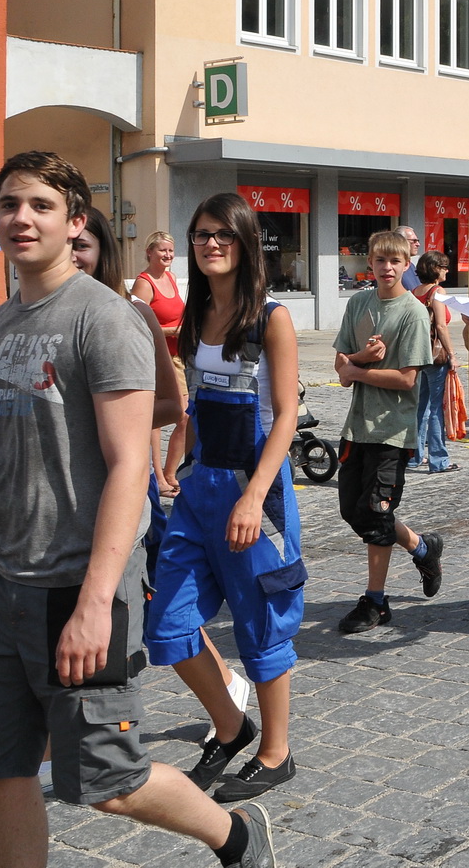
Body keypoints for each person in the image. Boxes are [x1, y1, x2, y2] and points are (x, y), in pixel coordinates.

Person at [0, 152, 276, 868]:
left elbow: (131, 464)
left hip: (76, 585)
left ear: (75, 222)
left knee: (107, 781)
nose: (20, 218)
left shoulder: (105, 317)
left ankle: (236, 835)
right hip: (0, 585)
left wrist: (96, 600)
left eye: (38, 205)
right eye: (8, 204)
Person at [70, 208, 250, 751]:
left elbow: (172, 404)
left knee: (149, 610)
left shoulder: (130, 313)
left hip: (120, 490)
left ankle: (228, 700)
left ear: (106, 252)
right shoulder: (31, 316)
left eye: (85, 245)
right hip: (60, 497)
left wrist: (97, 427)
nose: (74, 254)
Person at [146, 193, 302, 802]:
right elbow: (193, 405)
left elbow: (287, 415)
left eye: (223, 236)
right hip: (198, 487)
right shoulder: (192, 315)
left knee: (262, 622)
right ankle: (233, 727)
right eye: (201, 235)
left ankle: (276, 752)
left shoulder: (272, 318)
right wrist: (172, 462)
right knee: (169, 624)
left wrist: (252, 496)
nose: (211, 245)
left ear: (244, 243)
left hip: (252, 490)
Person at [331, 230, 443, 634]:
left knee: (377, 514)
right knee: (351, 510)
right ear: (371, 263)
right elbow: (341, 368)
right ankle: (423, 546)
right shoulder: (359, 303)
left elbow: (408, 379)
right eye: (381, 260)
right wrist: (359, 359)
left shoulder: (413, 312)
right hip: (356, 427)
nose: (388, 267)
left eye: (395, 261)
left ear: (406, 264)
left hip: (392, 431)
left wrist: (358, 370)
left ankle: (375, 601)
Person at [132, 230, 190, 489]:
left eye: (170, 250)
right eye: (162, 250)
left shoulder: (171, 277)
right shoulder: (143, 283)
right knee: (156, 417)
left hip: (178, 355)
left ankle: (170, 472)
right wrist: (169, 331)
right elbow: (136, 323)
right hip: (156, 356)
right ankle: (156, 476)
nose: (167, 255)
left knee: (185, 415)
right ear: (149, 253)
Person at [410, 250, 459, 473]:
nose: (447, 270)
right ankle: (439, 460)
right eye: (444, 266)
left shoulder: (414, 292)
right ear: (435, 269)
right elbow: (441, 326)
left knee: (421, 407)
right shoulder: (437, 292)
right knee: (438, 408)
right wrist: (453, 354)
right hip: (435, 355)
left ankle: (415, 456)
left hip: (418, 355)